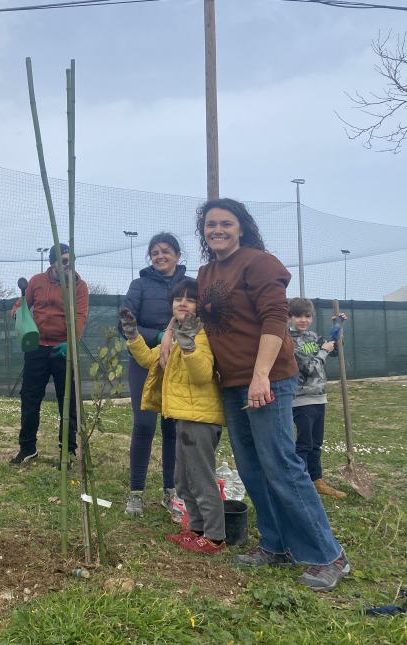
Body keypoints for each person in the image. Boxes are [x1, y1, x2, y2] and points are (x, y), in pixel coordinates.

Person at [188, 197, 348, 592]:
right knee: (251, 466)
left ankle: (328, 555)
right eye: (211, 225)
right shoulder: (207, 272)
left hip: (268, 378)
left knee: (280, 463)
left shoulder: (259, 262)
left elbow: (275, 319)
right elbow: (207, 325)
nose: (218, 230)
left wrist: (261, 375)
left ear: (241, 227)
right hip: (232, 381)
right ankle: (275, 545)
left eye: (226, 223)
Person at [121, 277, 226, 554]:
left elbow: (202, 375)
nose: (183, 302)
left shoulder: (200, 335)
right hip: (184, 416)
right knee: (183, 479)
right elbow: (149, 359)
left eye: (190, 299)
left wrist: (189, 346)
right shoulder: (177, 336)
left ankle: (214, 537)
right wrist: (133, 336)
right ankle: (197, 529)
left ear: (200, 306)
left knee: (200, 478)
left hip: (201, 419)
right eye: (178, 298)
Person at [119, 233, 186, 517]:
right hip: (144, 362)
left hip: (178, 364)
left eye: (166, 251)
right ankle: (136, 493)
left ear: (177, 256)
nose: (160, 256)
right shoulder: (140, 285)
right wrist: (160, 336)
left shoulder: (187, 286)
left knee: (172, 428)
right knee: (144, 425)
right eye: (155, 252)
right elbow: (124, 321)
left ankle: (170, 492)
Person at [10, 243, 89, 468]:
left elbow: (81, 315)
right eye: (63, 261)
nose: (68, 265)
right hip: (37, 348)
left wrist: (71, 344)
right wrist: (18, 311)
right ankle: (28, 448)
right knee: (30, 397)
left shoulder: (78, 286)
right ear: (52, 262)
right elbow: (22, 303)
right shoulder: (36, 281)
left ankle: (68, 452)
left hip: (63, 349)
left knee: (68, 400)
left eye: (71, 260)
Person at [288, 298, 347, 499]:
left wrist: (338, 328)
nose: (303, 320)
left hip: (319, 397)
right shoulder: (290, 341)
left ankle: (317, 480)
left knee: (316, 443)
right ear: (289, 317)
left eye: (307, 316)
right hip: (302, 399)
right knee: (304, 443)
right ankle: (300, 482)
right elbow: (309, 368)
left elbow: (335, 349)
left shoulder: (313, 337)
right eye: (297, 316)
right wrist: (324, 351)